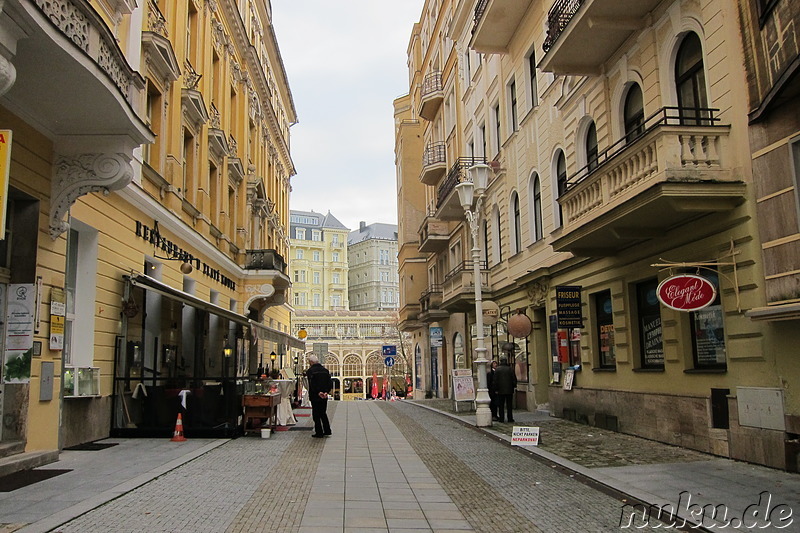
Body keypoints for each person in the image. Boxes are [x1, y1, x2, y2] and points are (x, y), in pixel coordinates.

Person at [305, 354, 332, 438]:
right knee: (323, 413)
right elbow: (329, 382)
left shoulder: (310, 371)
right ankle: (327, 430)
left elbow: (312, 384)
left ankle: (319, 432)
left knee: (316, 414)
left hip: (315, 395)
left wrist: (318, 392)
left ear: (311, 362)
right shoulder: (325, 370)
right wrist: (326, 392)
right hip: (324, 395)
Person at [493, 357, 517, 423]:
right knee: (509, 405)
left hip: (500, 390)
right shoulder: (510, 369)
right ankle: (510, 418)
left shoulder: (497, 370)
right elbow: (514, 379)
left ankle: (501, 418)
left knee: (501, 405)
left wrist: (496, 389)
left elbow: (495, 380)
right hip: (509, 390)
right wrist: (514, 386)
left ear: (500, 362)